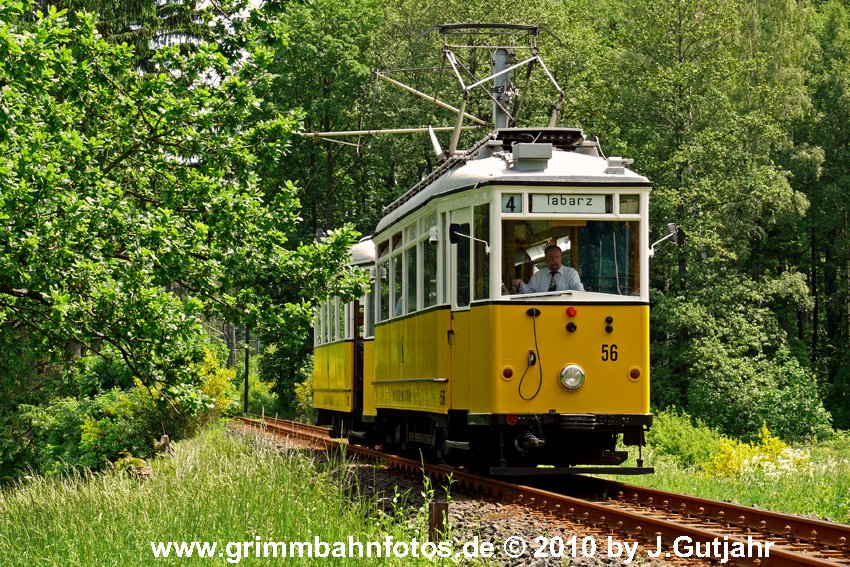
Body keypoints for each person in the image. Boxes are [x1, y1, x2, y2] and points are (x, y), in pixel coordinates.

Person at [513, 244, 584, 293]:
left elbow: (578, 290)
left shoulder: (570, 273)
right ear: (546, 259)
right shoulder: (538, 276)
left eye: (557, 257)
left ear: (561, 258)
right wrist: (520, 285)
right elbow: (528, 291)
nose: (555, 260)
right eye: (551, 257)